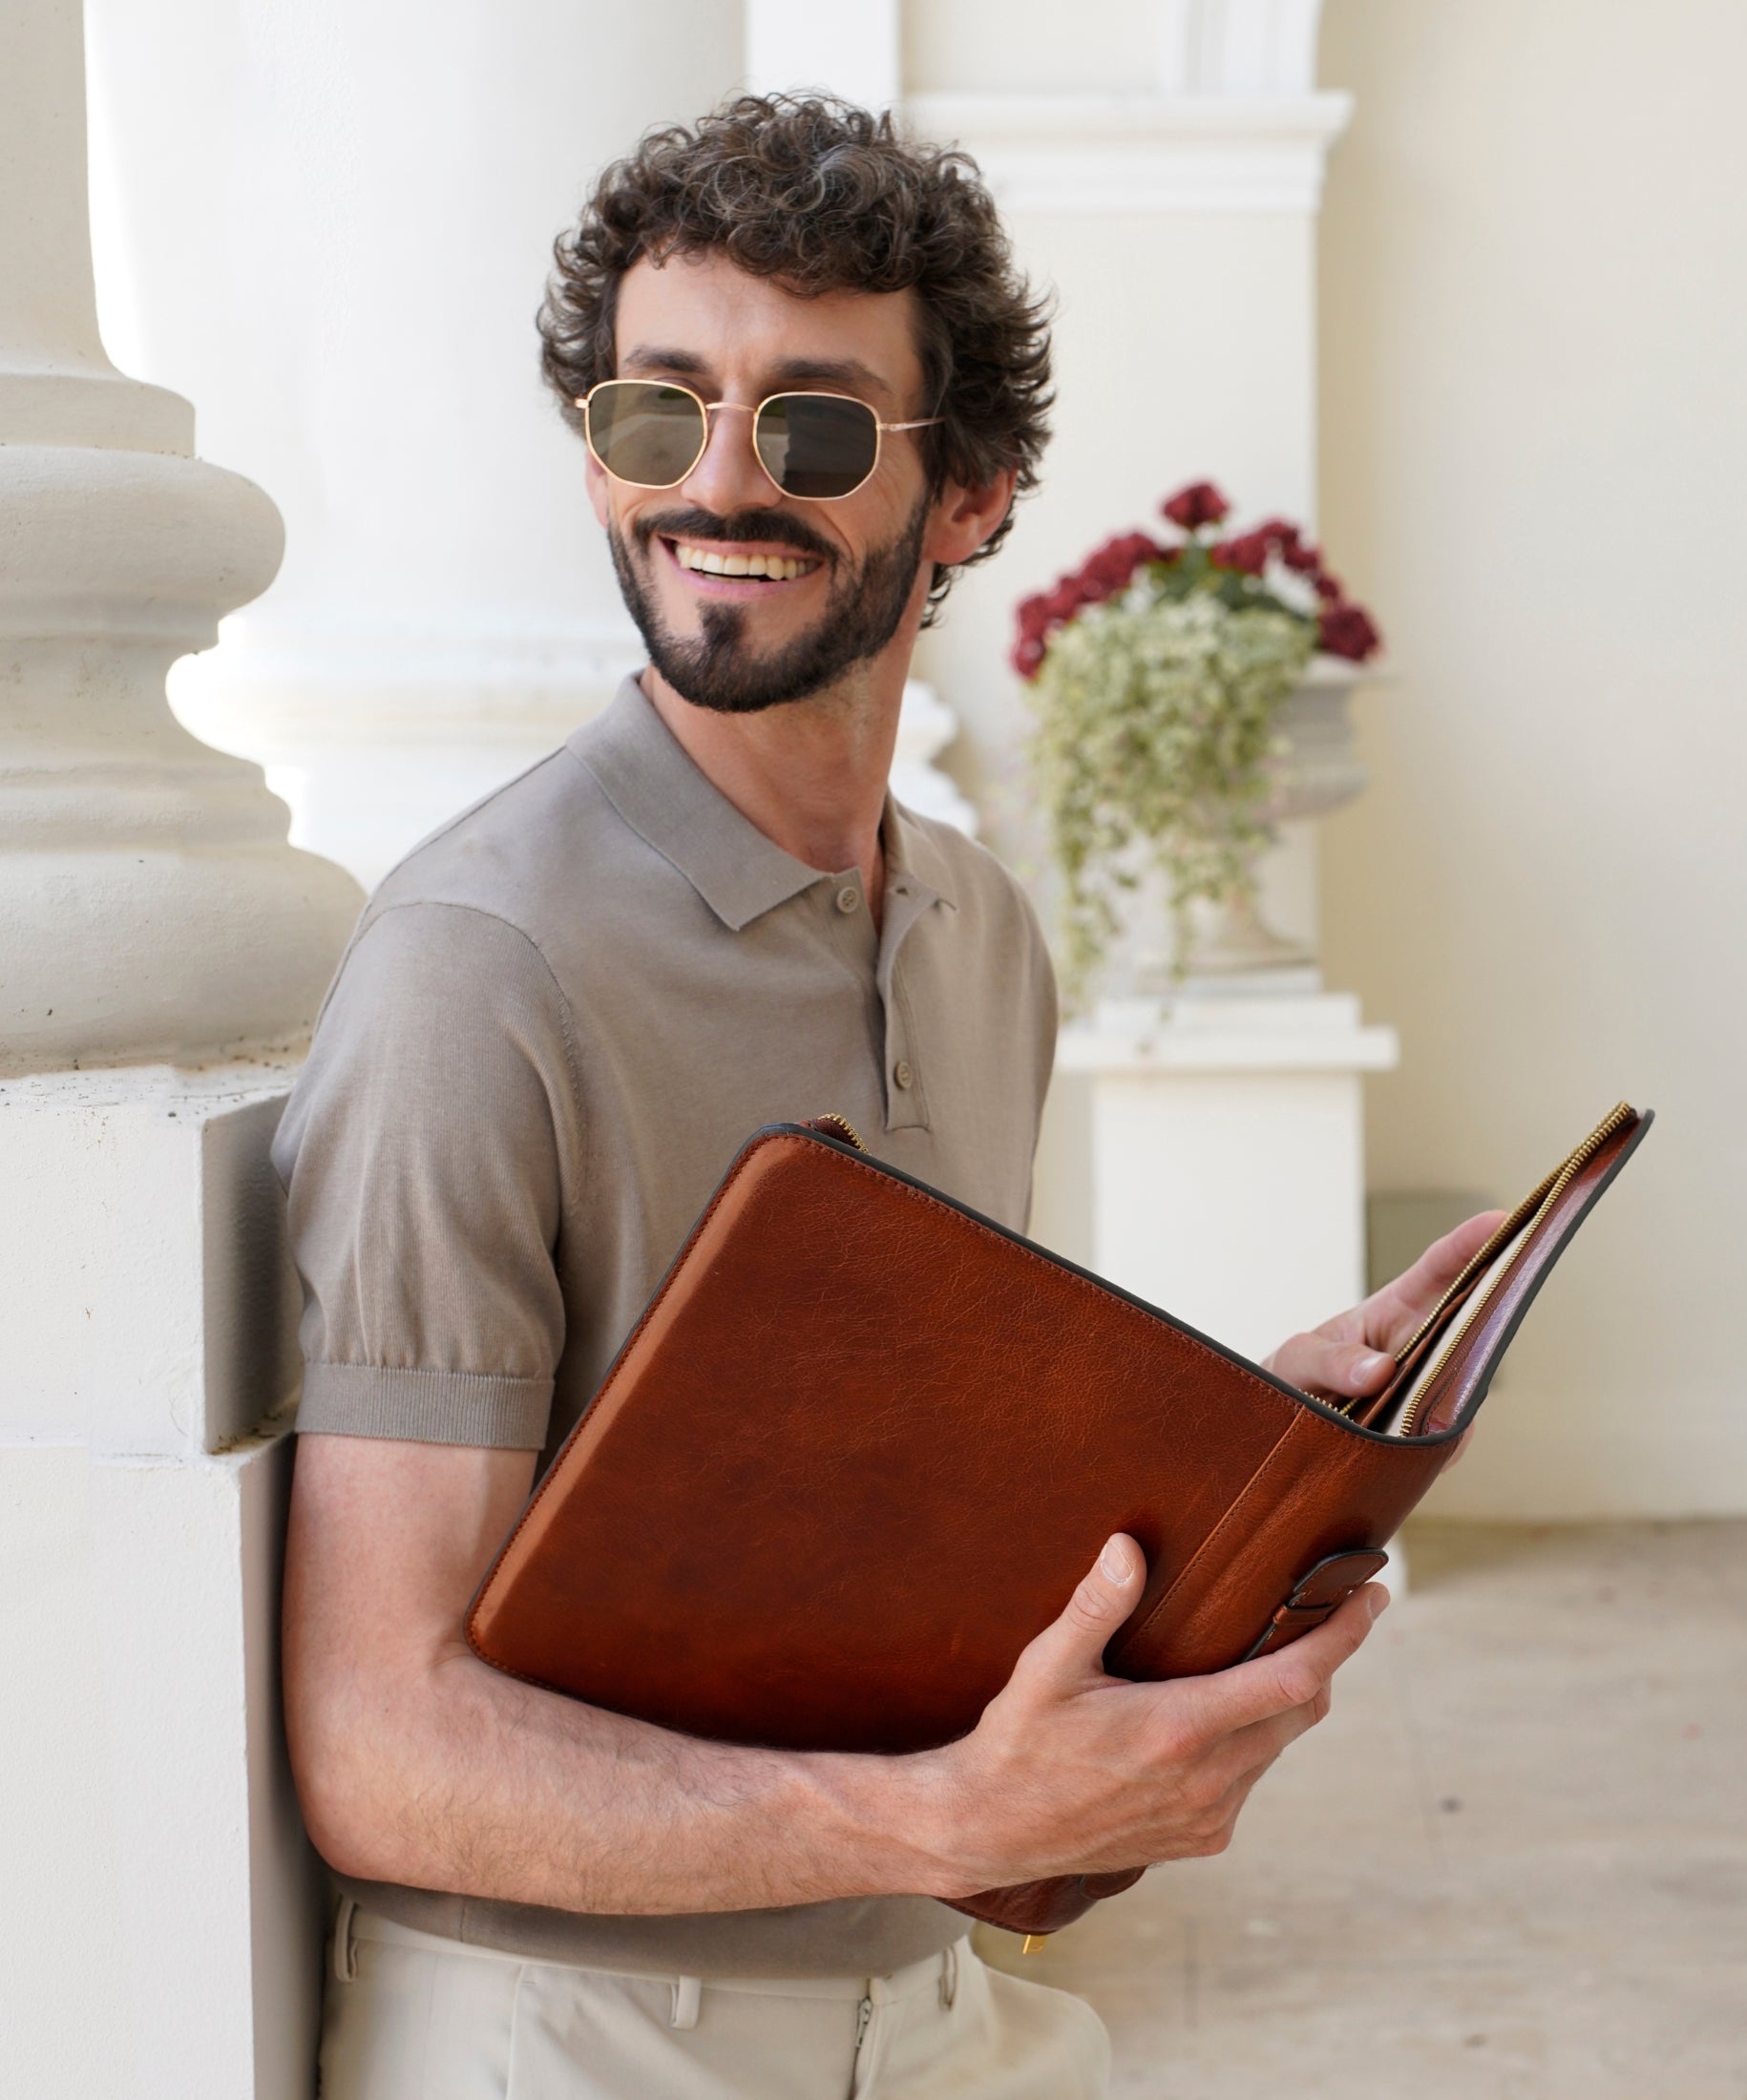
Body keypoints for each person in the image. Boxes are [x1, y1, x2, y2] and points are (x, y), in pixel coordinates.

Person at [276, 94, 1499, 2100]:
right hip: (568, 2040)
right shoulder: (470, 971)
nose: (719, 483)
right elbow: (379, 1747)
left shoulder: (979, 930)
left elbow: (886, 1514)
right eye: (657, 412)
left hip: (929, 2012)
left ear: (971, 492)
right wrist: (935, 1821)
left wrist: (1240, 1462)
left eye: (818, 427)